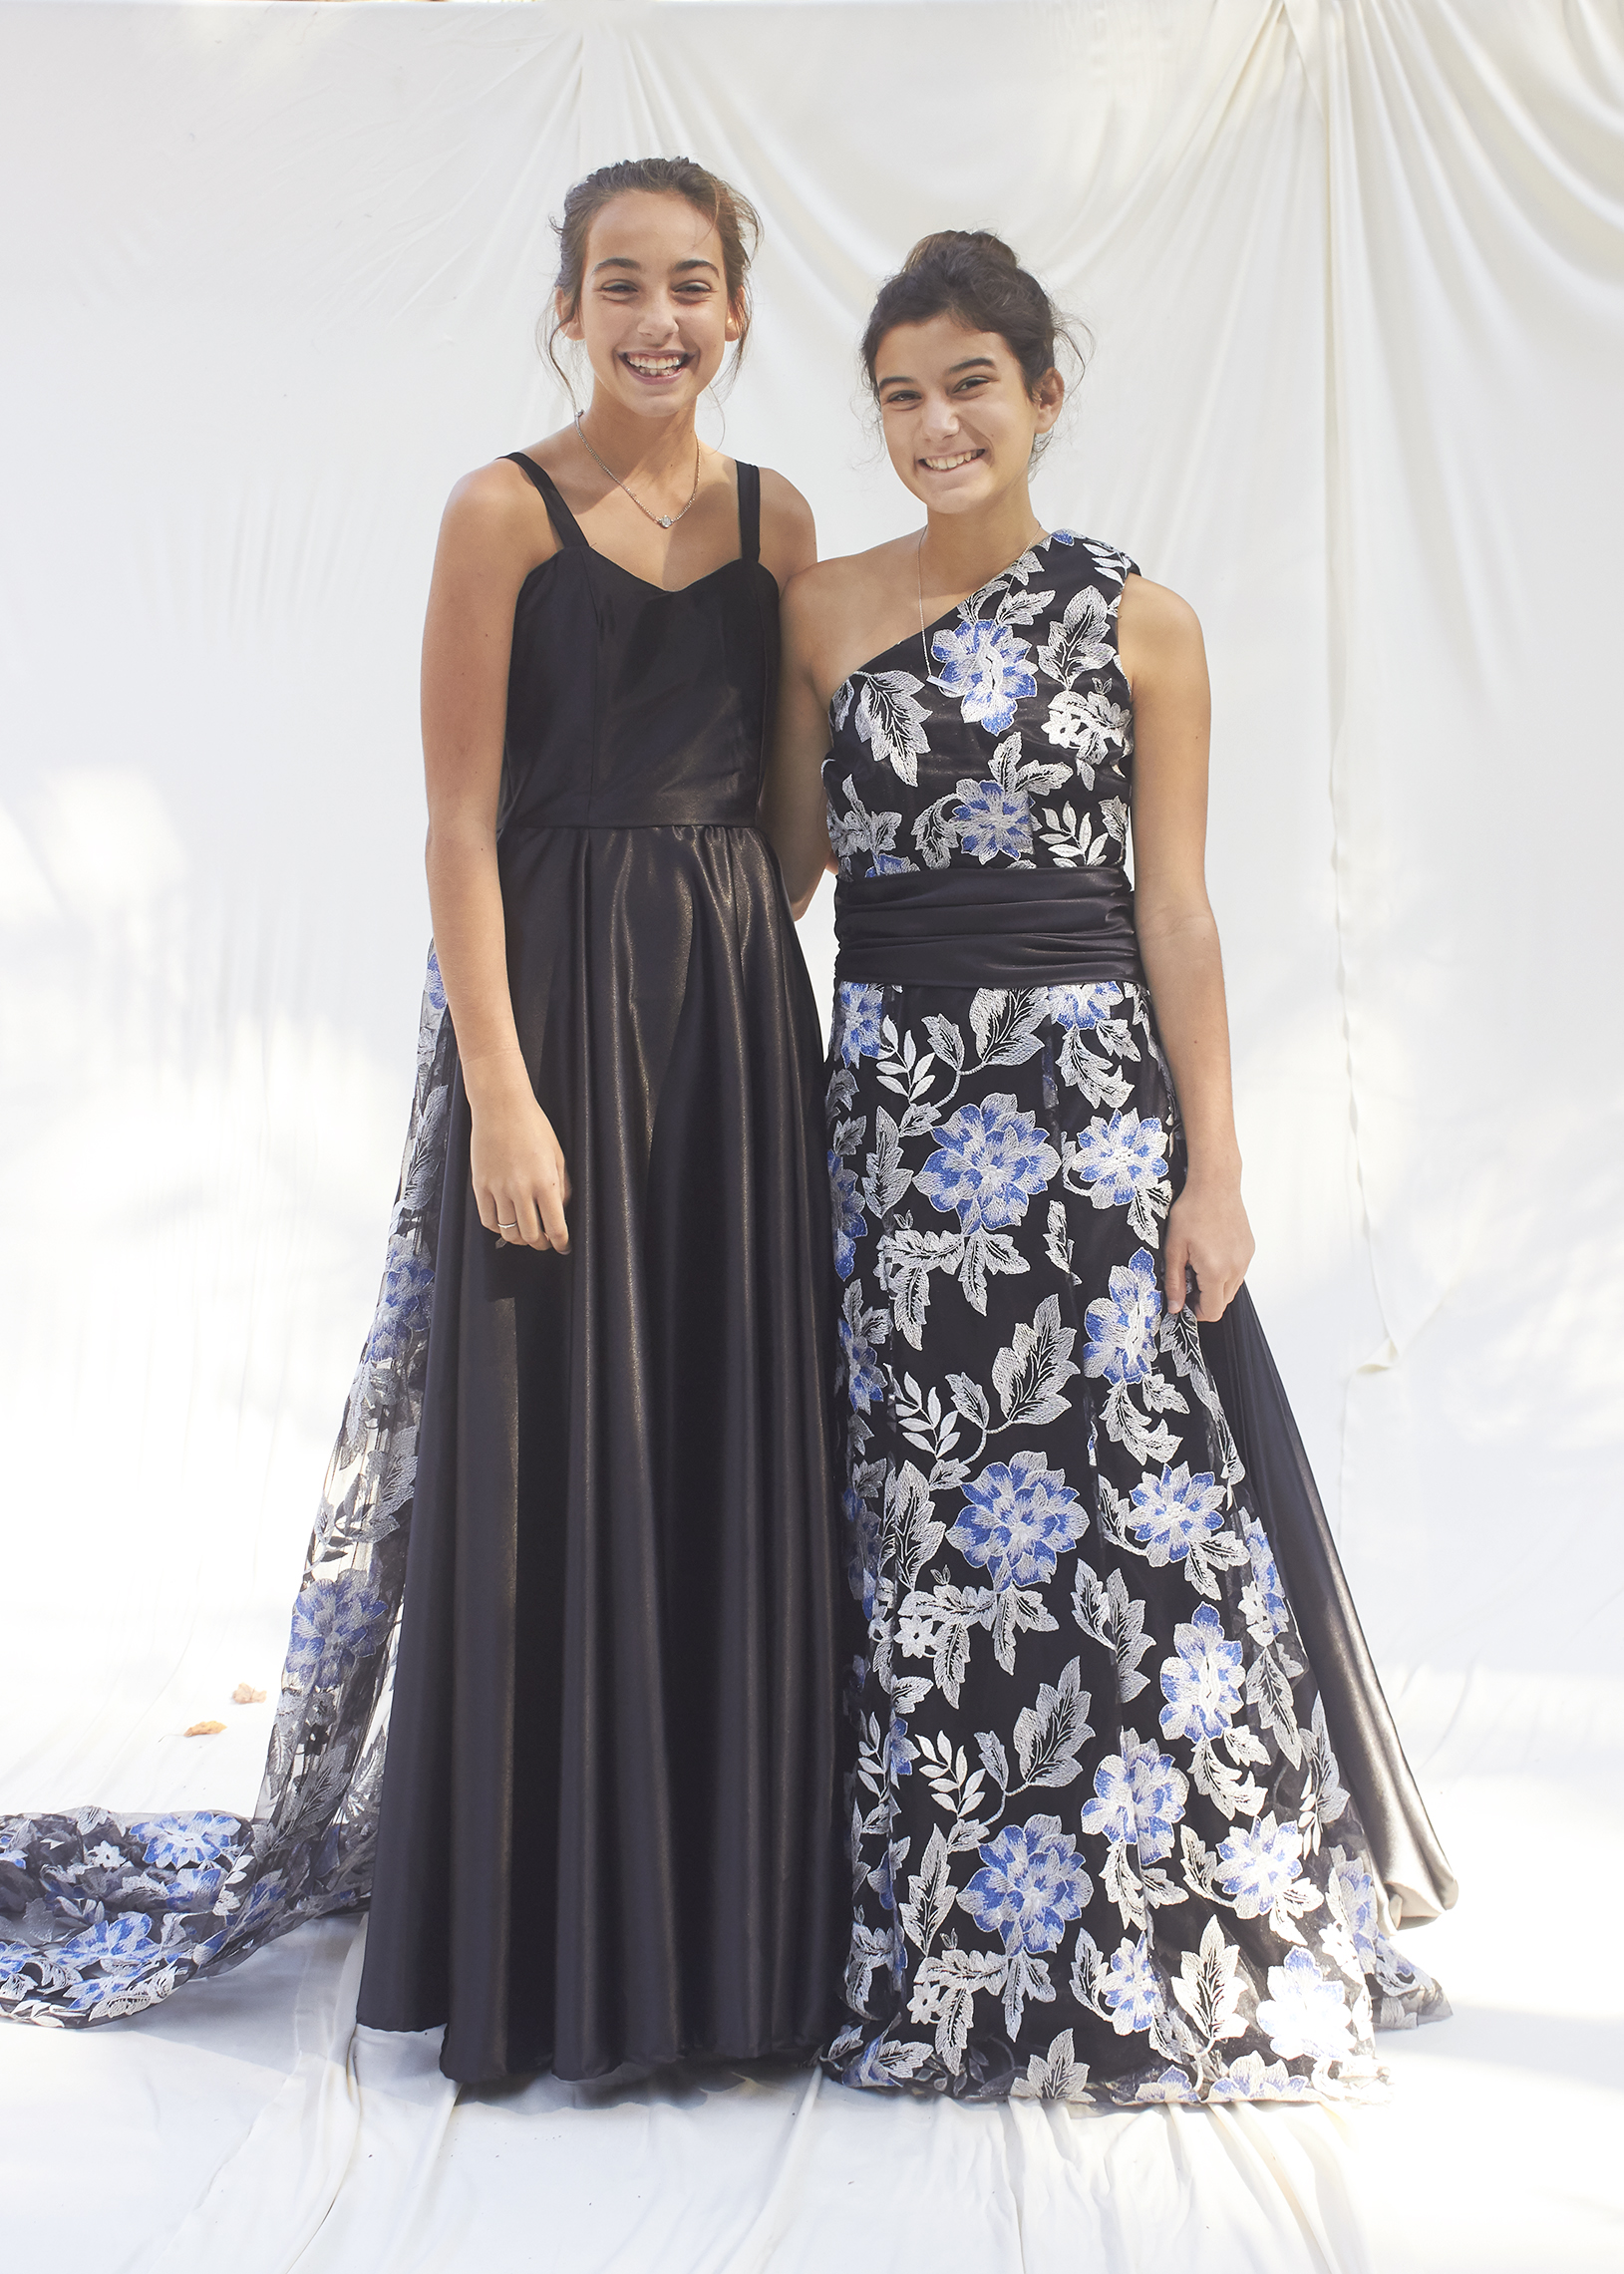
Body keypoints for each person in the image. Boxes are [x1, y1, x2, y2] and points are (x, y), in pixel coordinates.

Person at [0, 161, 845, 2087]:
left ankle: (731, 1947)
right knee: (552, 1439)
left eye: (691, 284)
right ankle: (560, 1942)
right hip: (542, 1006)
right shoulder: (498, 512)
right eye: (619, 282)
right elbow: (458, 819)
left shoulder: (784, 516)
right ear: (568, 305)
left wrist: (727, 964)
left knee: (717, 1428)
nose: (657, 317)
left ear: (735, 311)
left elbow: (793, 809)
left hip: (726, 1022)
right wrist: (506, 1088)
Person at [763, 229, 1455, 2104]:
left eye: (968, 384)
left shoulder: (1142, 619)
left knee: (1122, 1512)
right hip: (893, 1124)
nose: (932, 424)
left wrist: (1214, 1171)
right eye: (899, 394)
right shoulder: (817, 612)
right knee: (927, 1519)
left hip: (1082, 1115)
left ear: (1042, 394)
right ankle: (948, 1921)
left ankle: (1165, 1904)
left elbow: (1178, 910)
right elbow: (776, 882)